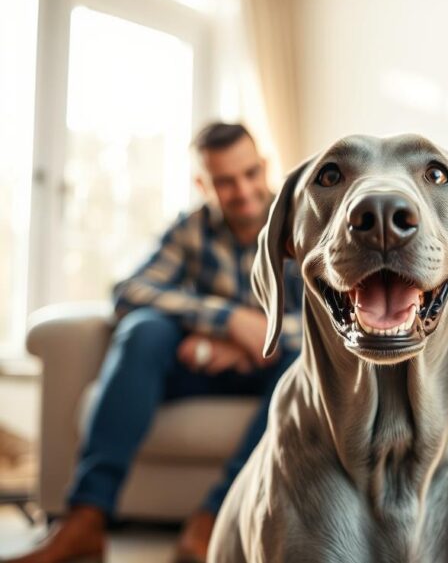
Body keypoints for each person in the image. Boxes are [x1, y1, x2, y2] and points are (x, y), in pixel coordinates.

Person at [6, 123, 303, 563]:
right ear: (204, 184)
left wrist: (255, 338)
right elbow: (129, 291)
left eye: (249, 174)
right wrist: (226, 321)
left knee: (301, 360)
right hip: (199, 367)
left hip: (275, 372)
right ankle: (85, 519)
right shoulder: (194, 227)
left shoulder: (303, 221)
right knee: (145, 329)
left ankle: (213, 520)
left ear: (264, 168)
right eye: (225, 181)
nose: (241, 191)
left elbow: (331, 319)